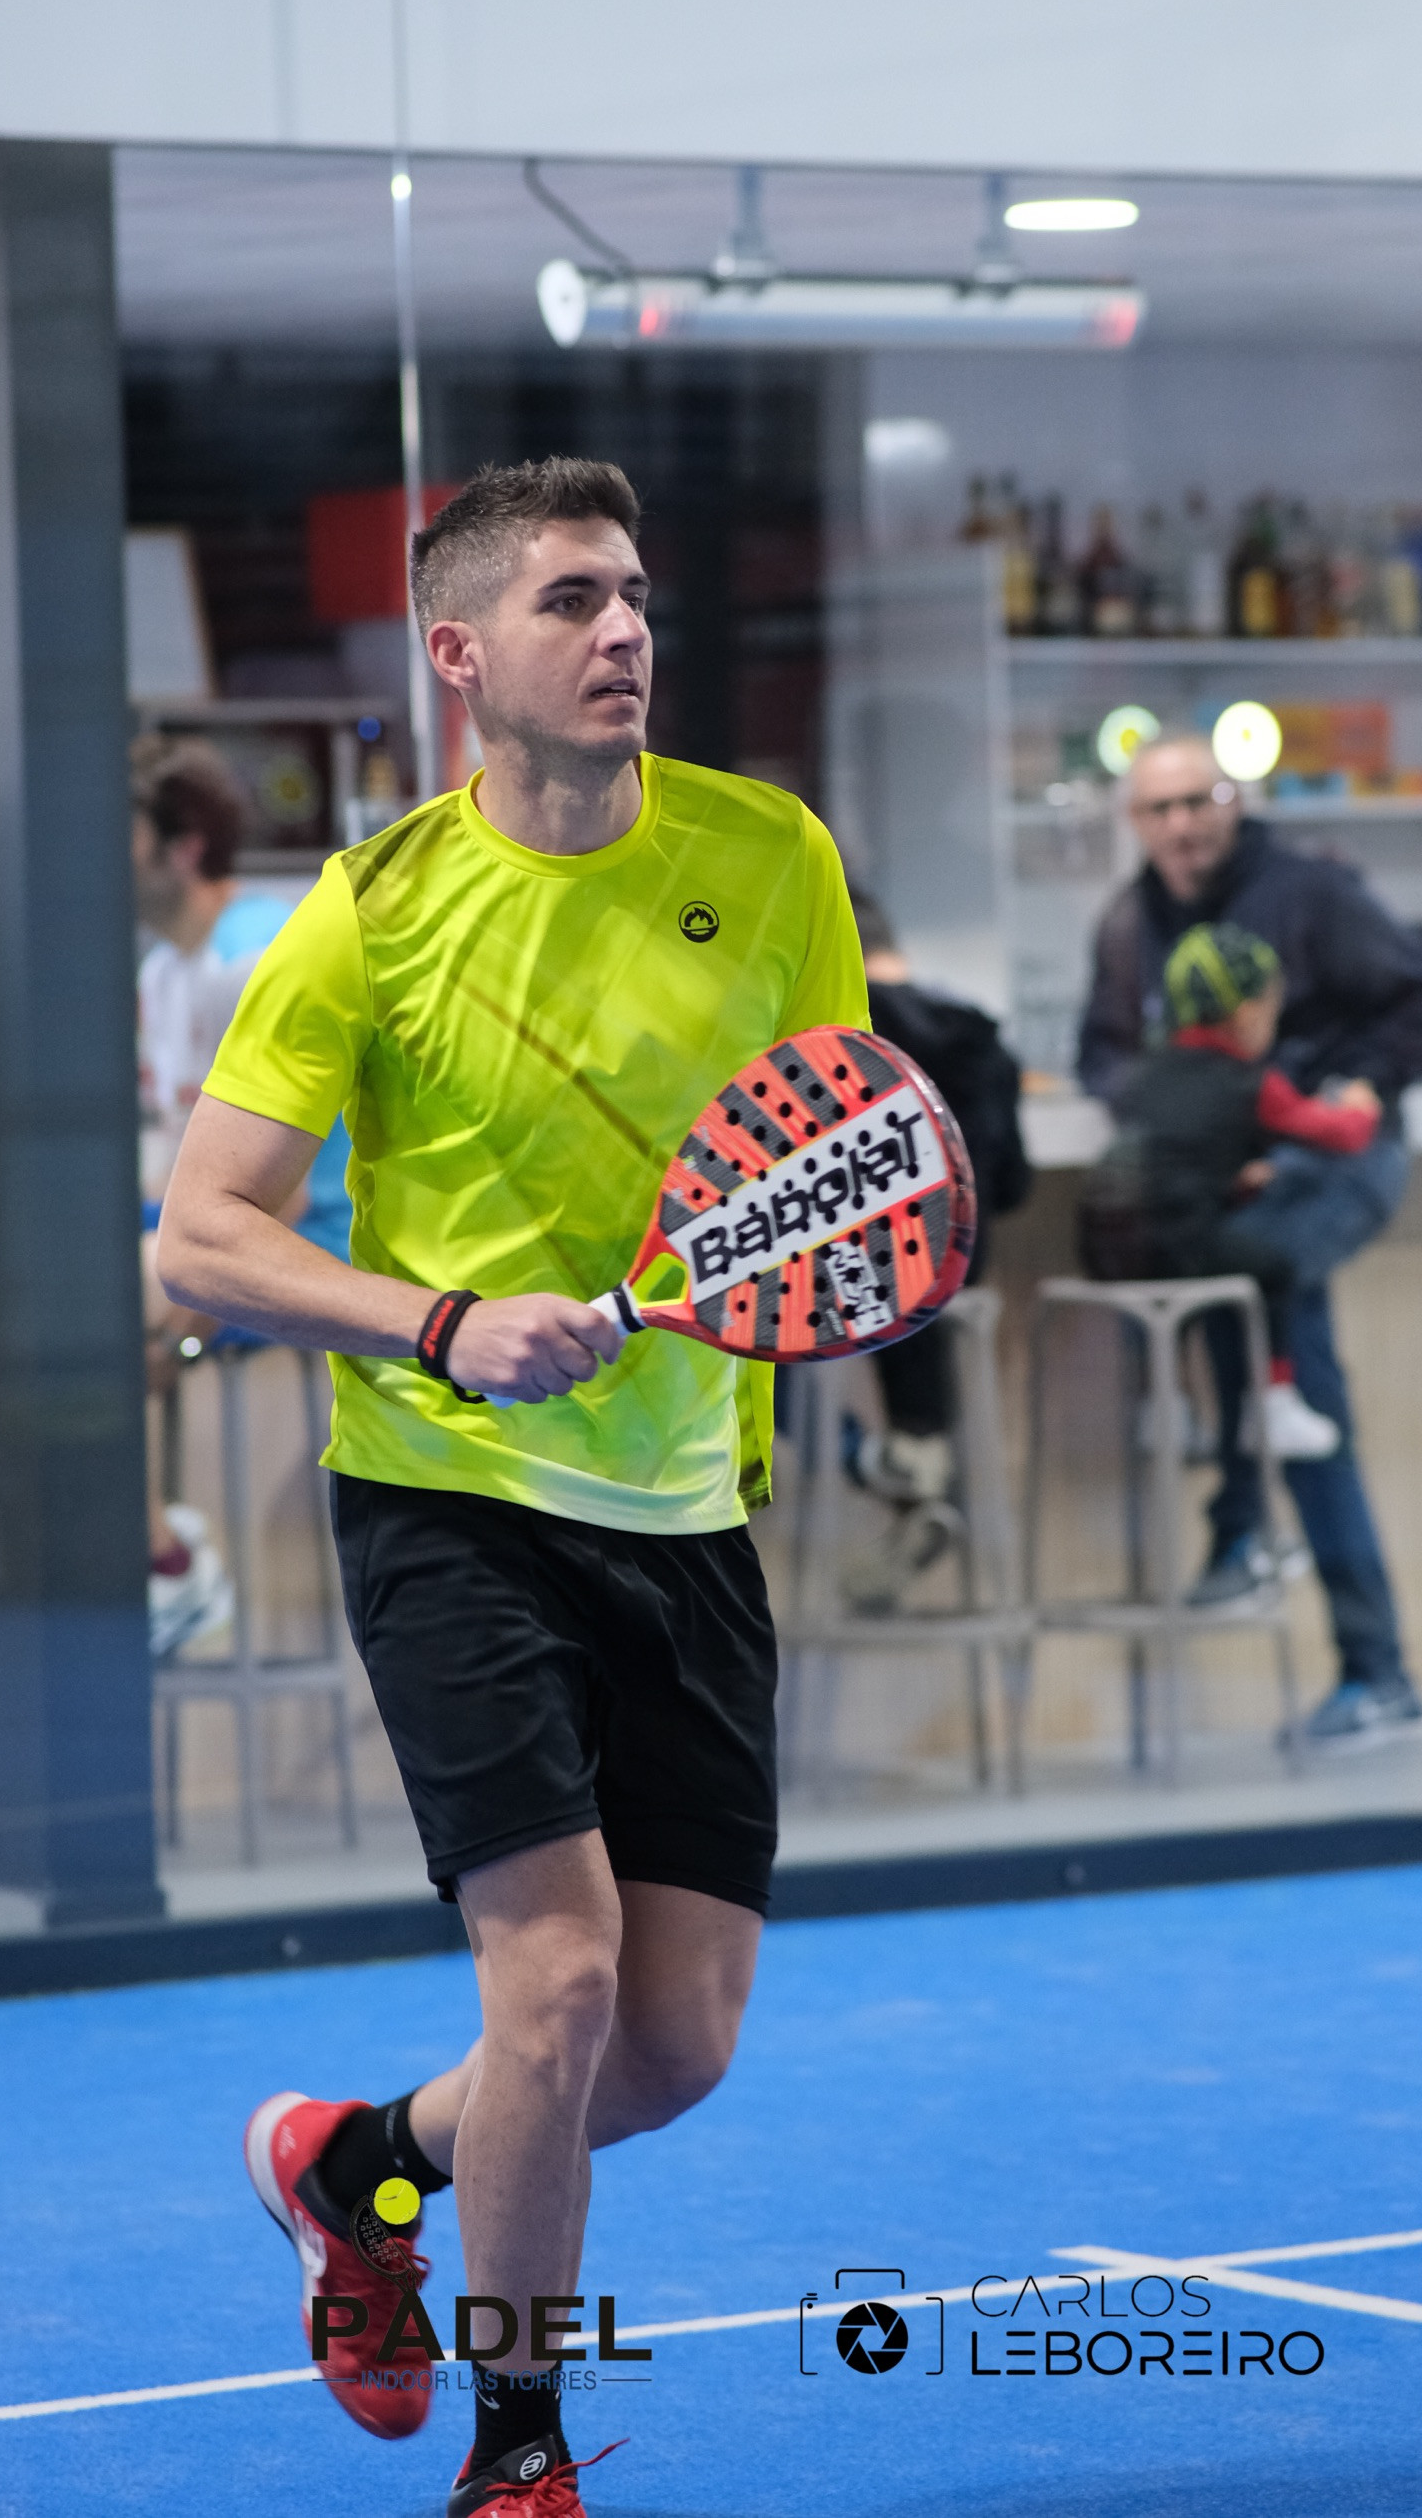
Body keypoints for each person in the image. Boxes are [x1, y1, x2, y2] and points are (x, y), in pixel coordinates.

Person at [157, 457, 867, 2517]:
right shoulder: (366, 914)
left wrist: (820, 1288)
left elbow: (833, 1158)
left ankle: (358, 2165)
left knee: (670, 2048)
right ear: (461, 653)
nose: (624, 628)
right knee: (552, 1983)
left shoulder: (773, 856)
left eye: (632, 593)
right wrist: (442, 1324)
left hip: (688, 1506)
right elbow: (201, 1235)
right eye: (572, 600)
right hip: (448, 1498)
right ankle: (521, 2457)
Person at [1078, 732, 1422, 1744]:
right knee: (1234, 1301)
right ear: (1134, 822)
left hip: (1328, 1160)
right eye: (1159, 809)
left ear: (1234, 800)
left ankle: (1370, 1661)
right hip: (1229, 1181)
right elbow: (1102, 1056)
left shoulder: (1311, 894)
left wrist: (1353, 1084)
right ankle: (1246, 1532)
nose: (1181, 825)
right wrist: (1185, 1112)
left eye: (1197, 801)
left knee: (1287, 1347)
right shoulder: (1128, 923)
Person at [132, 734, 356, 1655]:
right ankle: (150, 1550)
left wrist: (179, 1336)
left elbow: (275, 1201)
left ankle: (167, 1569)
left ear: (181, 846)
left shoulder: (256, 955)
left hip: (319, 1236)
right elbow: (172, 1170)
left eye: (119, 833)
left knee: (84, 1307)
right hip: (215, 1223)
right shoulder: (161, 974)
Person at [1094, 920, 1382, 1461]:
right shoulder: (1249, 1081)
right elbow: (1341, 1134)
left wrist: (1232, 1181)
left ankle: (1163, 1408)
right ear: (1247, 1013)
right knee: (1273, 1267)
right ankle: (1271, 1405)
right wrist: (1363, 1105)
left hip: (1106, 1245)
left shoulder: (1143, 1074)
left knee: (1166, 1285)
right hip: (1181, 1241)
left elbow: (1168, 1158)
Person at [839, 888, 1031, 1610]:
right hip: (956, 1278)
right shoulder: (981, 1035)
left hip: (855, 1289)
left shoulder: (831, 1039)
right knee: (912, 1283)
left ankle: (881, 1457)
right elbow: (1012, 1188)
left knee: (742, 1327)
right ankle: (921, 1461)